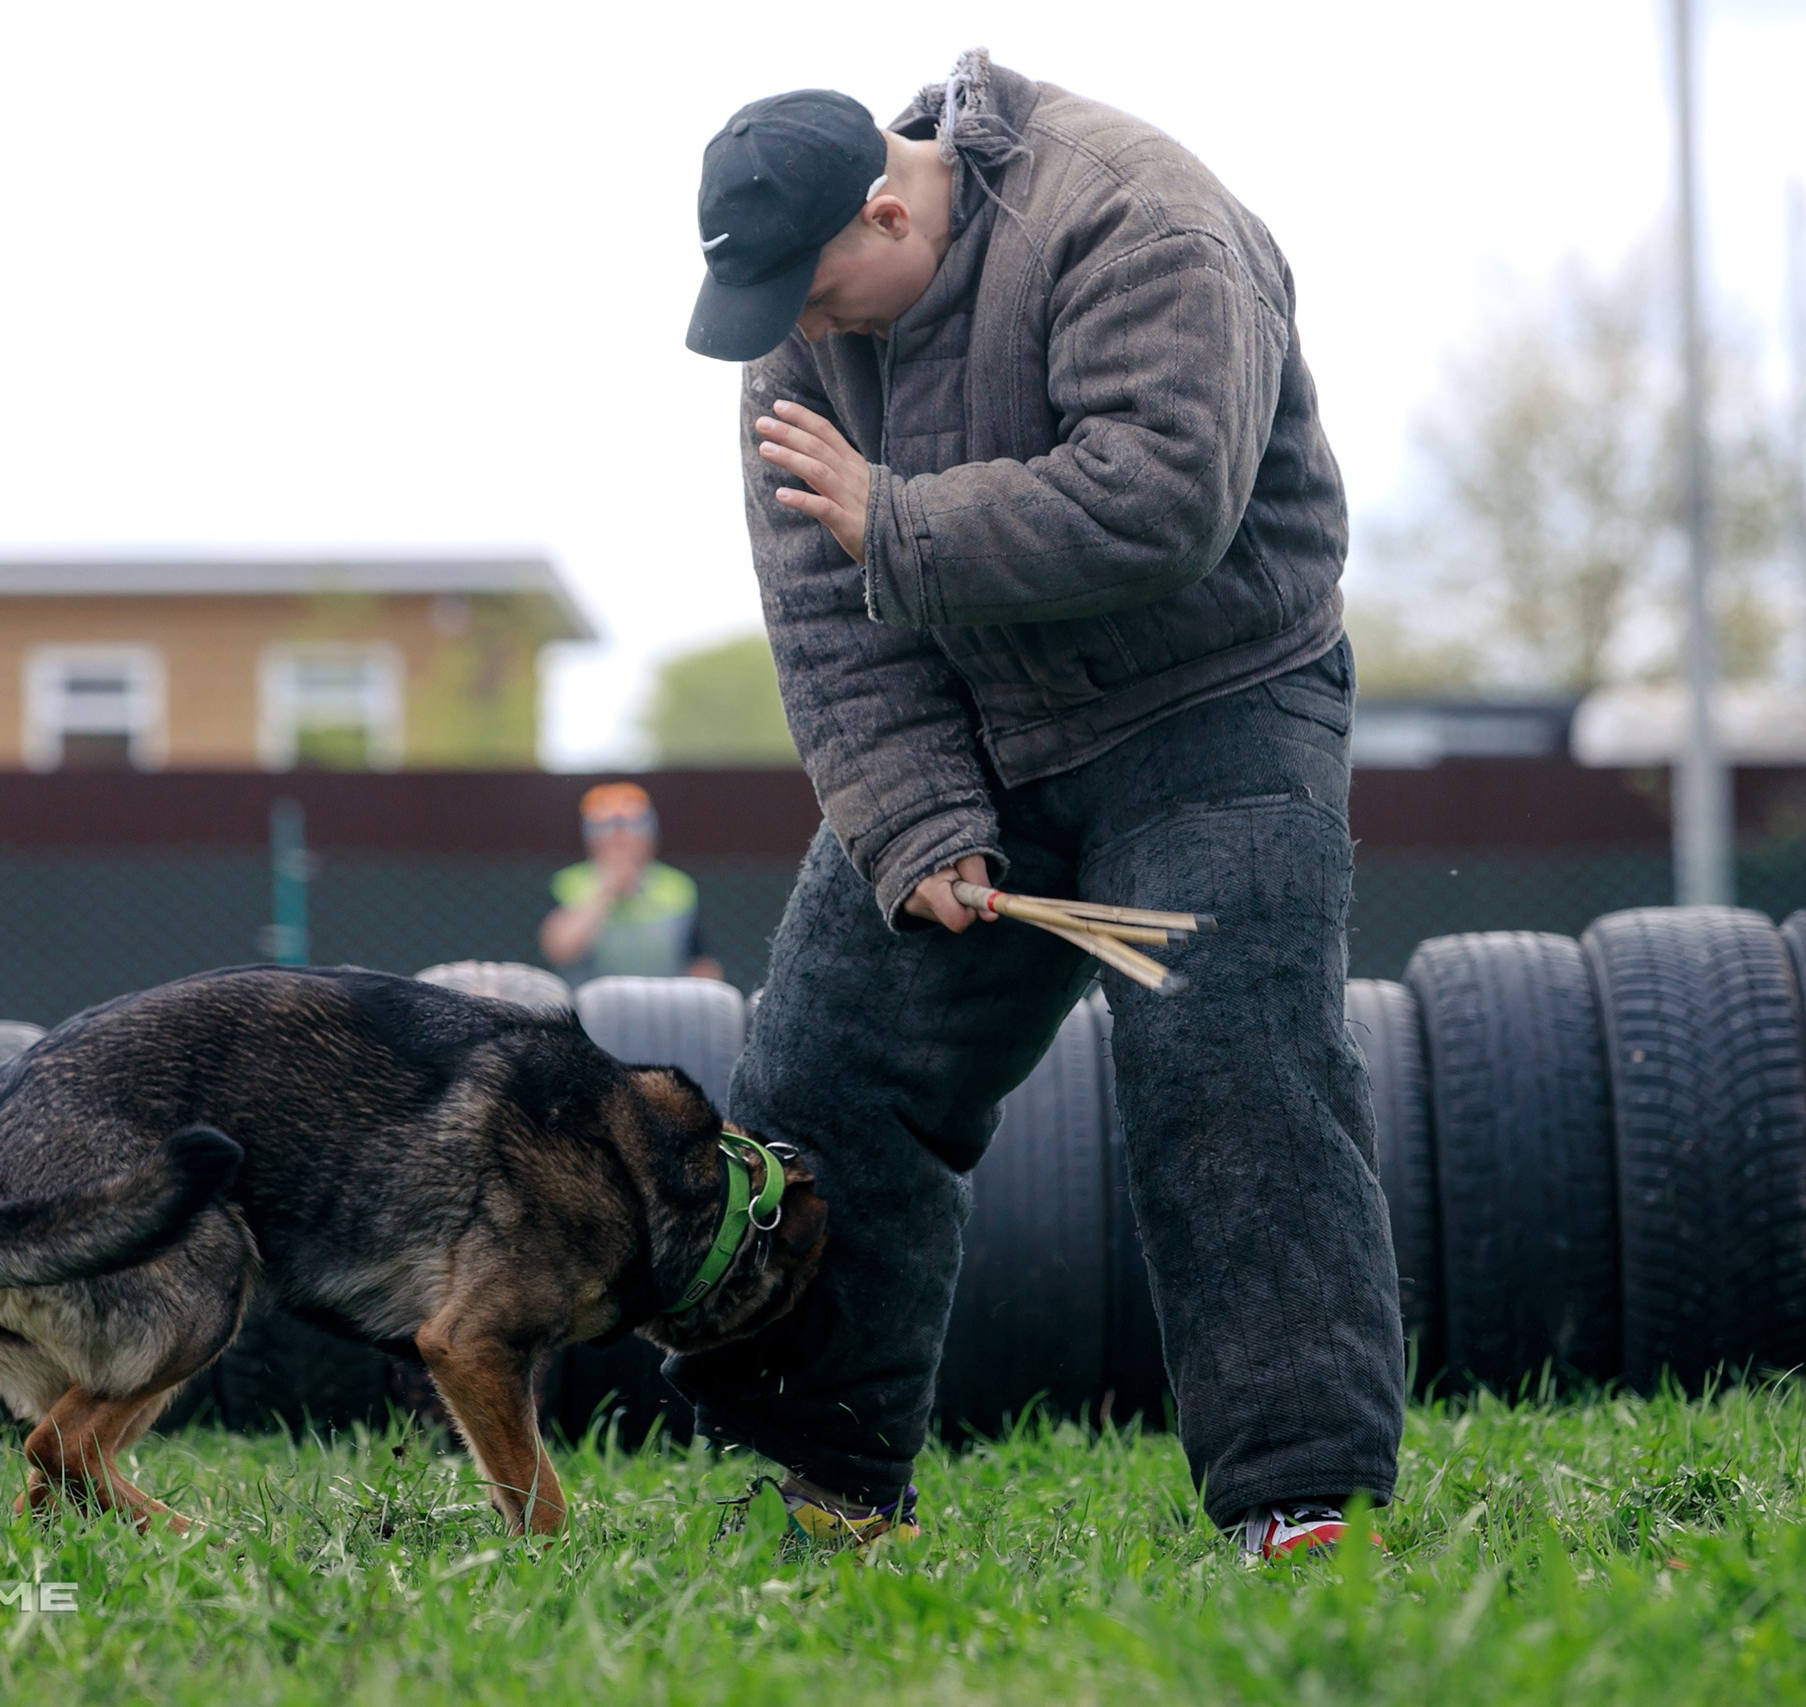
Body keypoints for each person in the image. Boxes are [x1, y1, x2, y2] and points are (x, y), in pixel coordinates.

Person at [672, 50, 1404, 1561]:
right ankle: (826, 1486)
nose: (791, 338)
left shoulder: (1140, 221)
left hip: (1213, 700)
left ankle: (1298, 1498)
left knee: (1231, 1062)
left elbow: (1162, 498)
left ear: (887, 210)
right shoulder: (797, 327)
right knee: (821, 1067)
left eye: (811, 296)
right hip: (977, 719)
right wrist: (916, 817)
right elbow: (826, 611)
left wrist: (903, 517)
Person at [539, 782, 726, 982]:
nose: (619, 838)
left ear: (650, 837)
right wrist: (606, 891)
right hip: (588, 1008)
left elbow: (700, 963)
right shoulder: (568, 883)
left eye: (631, 828)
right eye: (604, 830)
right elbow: (559, 950)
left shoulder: (677, 886)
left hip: (663, 1006)